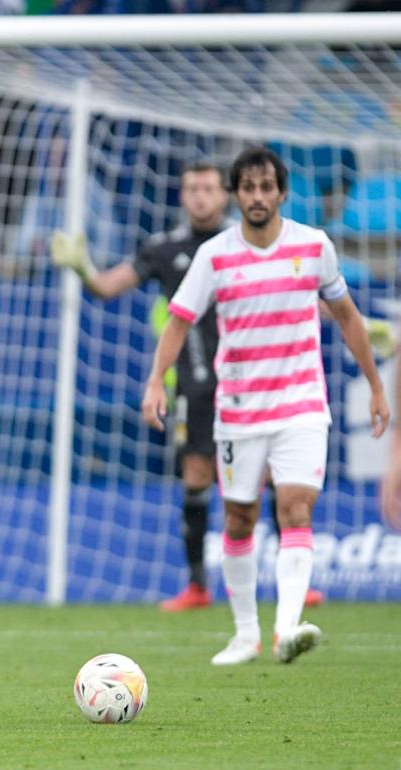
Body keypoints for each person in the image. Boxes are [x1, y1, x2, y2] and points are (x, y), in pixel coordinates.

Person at [141, 146, 389, 666]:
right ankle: (246, 635)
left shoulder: (314, 246)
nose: (258, 197)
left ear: (281, 193)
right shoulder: (215, 256)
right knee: (239, 518)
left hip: (301, 404)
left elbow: (347, 316)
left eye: (266, 187)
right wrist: (155, 383)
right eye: (249, 188)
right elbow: (179, 320)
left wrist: (375, 384)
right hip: (239, 409)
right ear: (237, 195)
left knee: (296, 506)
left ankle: (287, 629)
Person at [53, 162, 228, 612]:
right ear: (182, 196)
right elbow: (107, 287)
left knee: (262, 475)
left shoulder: (241, 244)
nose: (200, 195)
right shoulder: (164, 248)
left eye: (208, 187)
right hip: (192, 385)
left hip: (248, 378)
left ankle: (294, 582)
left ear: (224, 195)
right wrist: (83, 268)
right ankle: (198, 586)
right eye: (192, 187)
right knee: (196, 476)